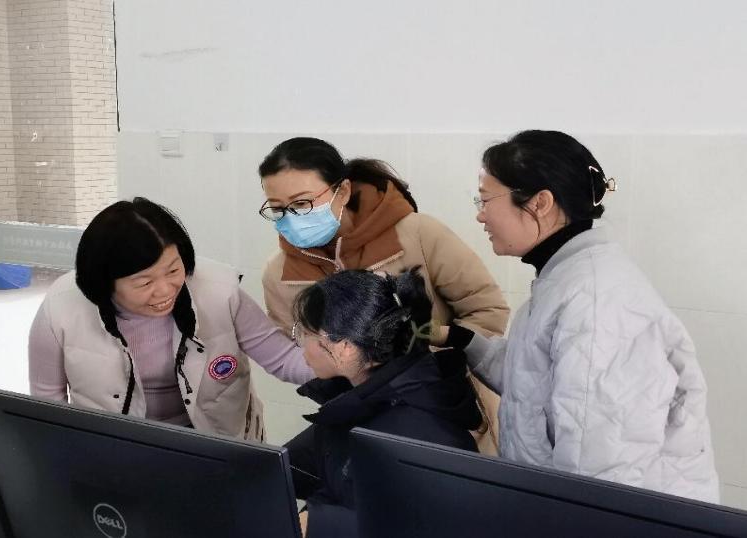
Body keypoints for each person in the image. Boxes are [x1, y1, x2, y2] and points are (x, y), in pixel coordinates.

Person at [443, 130, 719, 502]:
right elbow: (536, 384)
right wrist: (461, 340)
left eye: (485, 199)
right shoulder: (564, 279)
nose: (480, 214)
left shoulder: (596, 302)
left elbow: (598, 475)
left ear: (540, 202)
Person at [258, 136, 509, 453]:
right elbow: (302, 349)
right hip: (357, 420)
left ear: (342, 191)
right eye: (278, 209)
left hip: (447, 409)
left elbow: (487, 310)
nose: (292, 218)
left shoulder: (417, 234)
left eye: (302, 204)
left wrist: (427, 364)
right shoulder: (279, 274)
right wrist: (350, 378)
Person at [29, 197, 314, 440]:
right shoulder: (62, 308)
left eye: (173, 271)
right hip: (114, 447)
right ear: (105, 284)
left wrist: (339, 363)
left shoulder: (220, 292)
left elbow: (283, 359)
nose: (165, 290)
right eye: (144, 283)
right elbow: (47, 403)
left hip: (217, 441)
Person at [286, 268, 481, 537]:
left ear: (345, 347)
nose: (301, 346)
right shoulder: (360, 401)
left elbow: (416, 525)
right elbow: (299, 471)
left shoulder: (417, 434)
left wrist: (320, 524)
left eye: (304, 334)